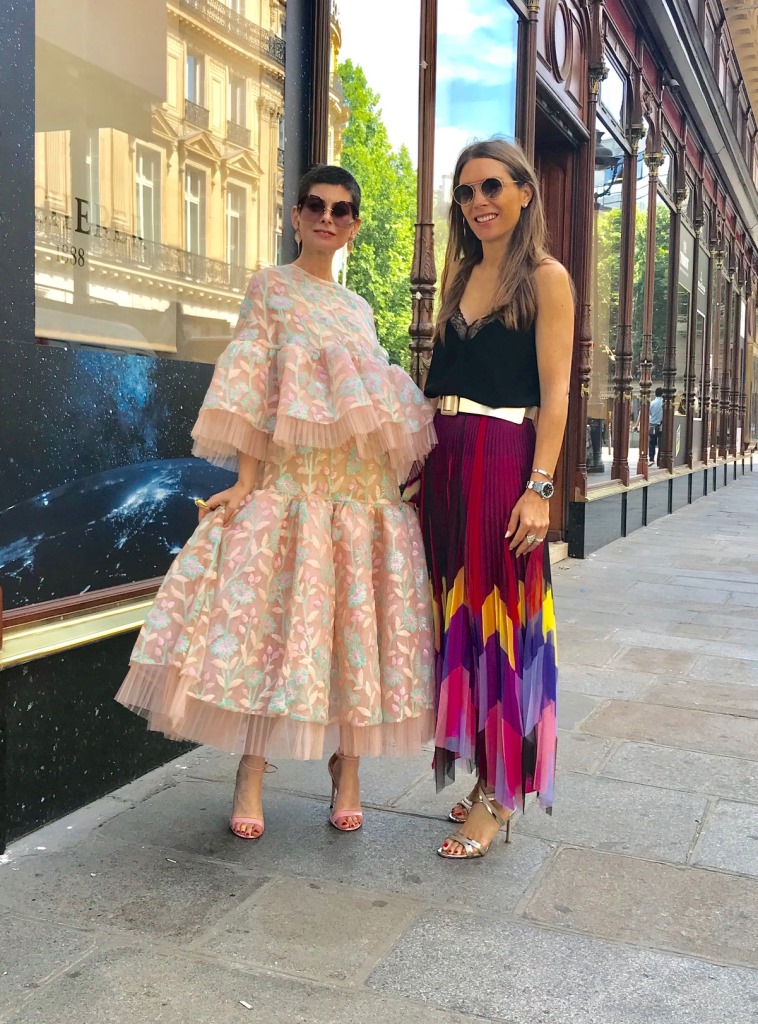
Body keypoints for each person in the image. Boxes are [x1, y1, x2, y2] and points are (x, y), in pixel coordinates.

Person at [116, 165, 437, 840]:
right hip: (294, 486)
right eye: (315, 205)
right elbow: (254, 386)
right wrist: (247, 480)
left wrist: (392, 483)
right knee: (274, 626)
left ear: (353, 225)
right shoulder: (269, 287)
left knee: (349, 629)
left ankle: (348, 769)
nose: (327, 218)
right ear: (296, 216)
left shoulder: (359, 309)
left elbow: (373, 408)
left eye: (341, 210)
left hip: (357, 492)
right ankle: (251, 772)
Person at [418, 139, 574, 859]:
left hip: (504, 458)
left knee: (503, 622)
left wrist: (540, 488)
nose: (478, 202)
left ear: (524, 193)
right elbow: (437, 380)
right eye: (465, 191)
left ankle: (501, 790)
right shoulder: (459, 275)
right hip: (446, 462)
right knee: (460, 618)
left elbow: (556, 393)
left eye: (491, 187)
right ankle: (489, 766)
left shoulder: (545, 278)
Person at [649, 387, 664, 464]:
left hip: (653, 425)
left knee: (652, 443)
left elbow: (650, 413)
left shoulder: (652, 403)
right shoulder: (664, 403)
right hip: (661, 425)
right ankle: (659, 460)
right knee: (661, 443)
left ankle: (651, 458)